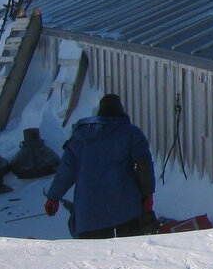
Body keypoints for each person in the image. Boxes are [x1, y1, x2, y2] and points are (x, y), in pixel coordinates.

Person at [44, 94, 155, 238]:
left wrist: (53, 197)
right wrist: (147, 195)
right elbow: (144, 167)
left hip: (89, 212)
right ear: (121, 111)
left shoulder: (80, 138)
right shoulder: (131, 133)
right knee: (128, 254)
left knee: (95, 257)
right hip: (126, 208)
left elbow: (65, 172)